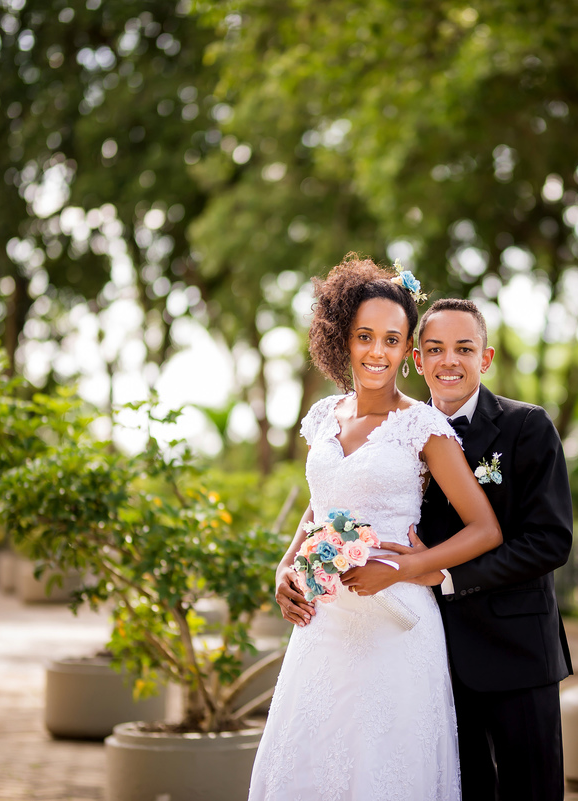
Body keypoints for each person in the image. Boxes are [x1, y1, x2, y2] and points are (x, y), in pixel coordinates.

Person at [250, 257, 501, 801]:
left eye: (392, 340)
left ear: (407, 350)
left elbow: (485, 528)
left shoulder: (423, 425)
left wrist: (406, 568)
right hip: (323, 623)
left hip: (398, 624)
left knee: (385, 767)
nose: (376, 352)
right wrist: (286, 564)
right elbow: (321, 506)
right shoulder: (322, 417)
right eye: (365, 337)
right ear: (343, 339)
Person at [343, 298, 574, 801]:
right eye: (435, 349)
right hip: (434, 655)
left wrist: (444, 576)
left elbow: (549, 541)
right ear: (417, 360)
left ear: (485, 359)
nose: (449, 361)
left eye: (463, 349)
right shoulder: (398, 433)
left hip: (518, 653)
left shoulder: (527, 427)